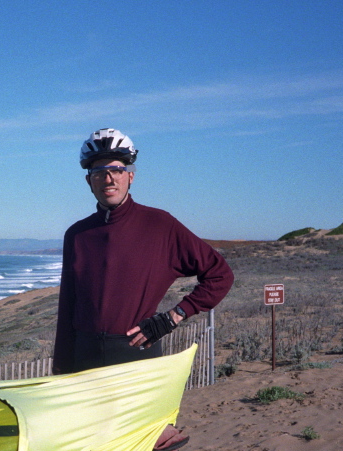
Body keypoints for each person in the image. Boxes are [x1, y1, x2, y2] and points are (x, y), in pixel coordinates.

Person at [52, 128, 234, 375]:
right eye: (99, 172)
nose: (109, 179)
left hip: (138, 360)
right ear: (89, 180)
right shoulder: (76, 234)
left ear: (130, 177)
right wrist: (61, 368)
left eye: (117, 170)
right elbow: (68, 307)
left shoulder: (160, 225)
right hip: (85, 362)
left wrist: (173, 317)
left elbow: (220, 274)